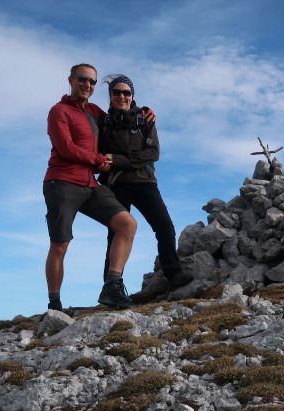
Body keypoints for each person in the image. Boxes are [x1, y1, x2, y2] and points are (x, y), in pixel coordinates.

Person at [43, 64, 138, 311]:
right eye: (83, 79)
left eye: (93, 81)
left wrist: (143, 111)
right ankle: (55, 304)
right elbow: (66, 149)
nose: (88, 85)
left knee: (127, 224)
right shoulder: (59, 111)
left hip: (91, 185)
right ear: (71, 80)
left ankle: (112, 288)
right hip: (61, 182)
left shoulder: (95, 112)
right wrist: (99, 161)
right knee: (60, 244)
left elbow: (121, 114)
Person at [98, 74, 192, 295]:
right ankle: (110, 287)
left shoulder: (145, 120)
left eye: (126, 92)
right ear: (110, 96)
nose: (122, 96)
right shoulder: (102, 123)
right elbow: (99, 155)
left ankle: (173, 275)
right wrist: (107, 162)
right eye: (116, 92)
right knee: (115, 236)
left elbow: (153, 153)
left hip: (144, 183)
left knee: (165, 227)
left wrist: (117, 160)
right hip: (116, 186)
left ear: (132, 96)